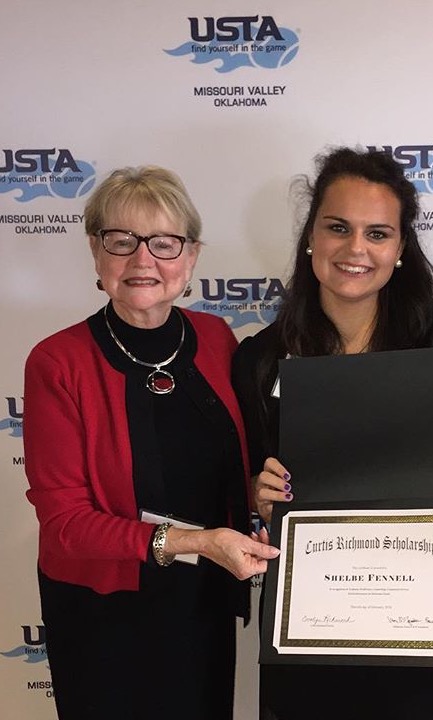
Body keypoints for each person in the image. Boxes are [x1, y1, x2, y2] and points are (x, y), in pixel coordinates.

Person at [23, 165, 280, 720]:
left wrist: (256, 504)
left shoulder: (216, 338)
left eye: (164, 243)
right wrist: (197, 542)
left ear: (190, 258)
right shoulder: (57, 362)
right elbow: (65, 526)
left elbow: (231, 469)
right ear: (96, 252)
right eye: (122, 241)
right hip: (105, 613)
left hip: (202, 602)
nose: (143, 260)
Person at [232, 147, 433, 720]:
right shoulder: (260, 359)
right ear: (310, 236)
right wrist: (255, 492)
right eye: (337, 228)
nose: (356, 249)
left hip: (422, 620)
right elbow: (242, 486)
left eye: (378, 233)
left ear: (399, 249)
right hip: (312, 622)